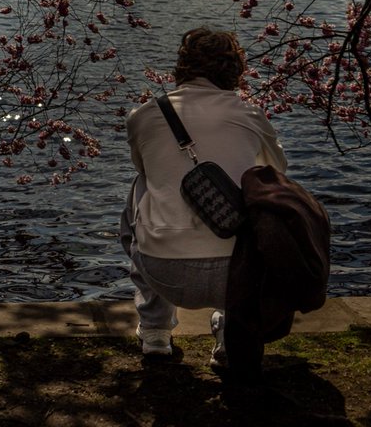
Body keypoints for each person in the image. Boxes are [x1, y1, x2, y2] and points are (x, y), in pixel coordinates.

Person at [120, 27, 287, 364]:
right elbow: (277, 173)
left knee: (143, 187)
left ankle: (155, 331)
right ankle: (229, 335)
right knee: (257, 194)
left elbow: (145, 168)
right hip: (237, 274)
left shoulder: (144, 116)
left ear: (182, 66)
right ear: (234, 69)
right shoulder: (249, 115)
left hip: (163, 270)